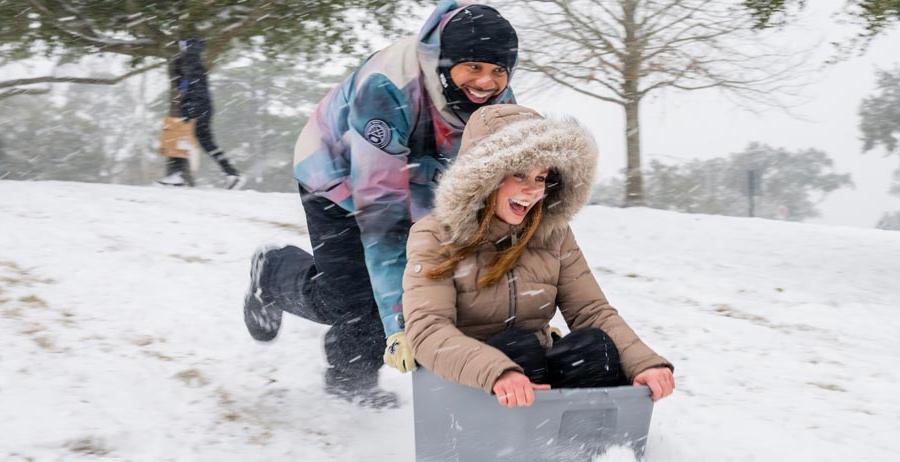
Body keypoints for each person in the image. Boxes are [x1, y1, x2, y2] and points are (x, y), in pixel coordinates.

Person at [242, 1, 519, 408]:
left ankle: (351, 373)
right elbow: (383, 218)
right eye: (473, 68)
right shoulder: (387, 87)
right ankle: (278, 279)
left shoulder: (499, 104)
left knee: (441, 279)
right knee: (354, 296)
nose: (486, 82)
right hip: (337, 173)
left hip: (421, 178)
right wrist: (398, 327)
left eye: (498, 71)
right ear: (445, 62)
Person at [402, 104, 675, 407]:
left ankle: (594, 448)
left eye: (541, 178)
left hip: (535, 380)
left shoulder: (552, 234)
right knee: (516, 347)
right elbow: (428, 329)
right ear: (484, 176)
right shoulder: (436, 235)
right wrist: (497, 371)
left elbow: (591, 311)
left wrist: (644, 362)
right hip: (469, 381)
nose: (532, 191)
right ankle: (517, 447)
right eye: (519, 174)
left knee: (591, 347)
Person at [157, 38, 244, 189]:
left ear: (188, 48)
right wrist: (178, 72)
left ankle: (177, 175)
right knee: (204, 141)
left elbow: (197, 88)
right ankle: (231, 173)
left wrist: (192, 107)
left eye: (182, 47)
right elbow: (185, 85)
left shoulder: (193, 62)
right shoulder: (189, 63)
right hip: (200, 106)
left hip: (198, 106)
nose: (181, 50)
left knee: (176, 133)